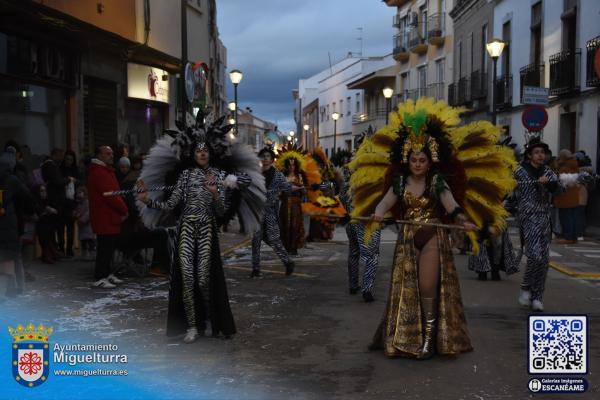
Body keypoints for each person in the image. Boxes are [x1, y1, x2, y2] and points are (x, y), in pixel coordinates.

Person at [349, 98, 516, 359]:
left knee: (428, 287)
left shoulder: (437, 182)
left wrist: (462, 219)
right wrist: (378, 215)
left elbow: (451, 204)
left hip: (432, 237)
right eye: (414, 159)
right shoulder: (400, 183)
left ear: (430, 163)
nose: (417, 164)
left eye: (422, 160)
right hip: (407, 238)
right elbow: (384, 202)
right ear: (407, 160)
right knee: (407, 288)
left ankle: (428, 341)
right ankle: (406, 337)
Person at [138, 142, 242, 343]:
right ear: (193, 155)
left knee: (203, 279)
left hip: (206, 228)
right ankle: (192, 326)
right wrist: (146, 200)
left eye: (205, 151)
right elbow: (170, 205)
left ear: (210, 154)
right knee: (187, 278)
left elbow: (221, 211)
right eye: (198, 151)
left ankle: (211, 320)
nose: (202, 154)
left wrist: (214, 193)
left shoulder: (219, 176)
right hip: (186, 227)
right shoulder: (185, 176)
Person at [515, 138, 562, 312]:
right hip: (528, 218)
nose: (541, 155)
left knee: (544, 260)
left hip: (544, 219)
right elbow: (508, 190)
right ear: (529, 155)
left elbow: (560, 191)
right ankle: (526, 288)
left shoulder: (548, 172)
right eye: (537, 152)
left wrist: (550, 185)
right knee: (534, 256)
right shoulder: (519, 171)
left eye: (543, 152)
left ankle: (537, 296)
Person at [88, 146, 129, 289]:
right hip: (104, 215)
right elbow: (111, 195)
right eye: (107, 154)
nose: (111, 156)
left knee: (109, 247)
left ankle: (106, 273)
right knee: (104, 247)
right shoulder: (99, 172)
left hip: (110, 215)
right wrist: (124, 209)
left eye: (112, 154)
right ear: (99, 155)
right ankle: (100, 276)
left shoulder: (106, 170)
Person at [340, 163, 382, 302]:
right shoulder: (372, 184)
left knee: (354, 252)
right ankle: (366, 289)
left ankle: (353, 285)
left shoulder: (347, 184)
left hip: (351, 223)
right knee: (372, 256)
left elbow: (340, 200)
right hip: (365, 224)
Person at [251, 147, 295, 277]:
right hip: (257, 212)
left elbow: (287, 187)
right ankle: (255, 268)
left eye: (268, 156)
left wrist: (298, 187)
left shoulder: (278, 175)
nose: (265, 158)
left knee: (274, 239)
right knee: (256, 240)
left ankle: (288, 262)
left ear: (272, 160)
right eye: (263, 156)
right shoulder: (255, 174)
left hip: (270, 211)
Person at [0, 151, 33, 298]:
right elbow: (27, 197)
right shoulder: (12, 180)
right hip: (8, 224)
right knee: (10, 258)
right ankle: (8, 291)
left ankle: (11, 289)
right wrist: (31, 212)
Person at [278, 157, 305, 255]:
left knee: (294, 225)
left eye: (293, 165)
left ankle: (293, 247)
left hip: (295, 205)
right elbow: (279, 192)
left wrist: (299, 187)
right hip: (285, 204)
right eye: (289, 165)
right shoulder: (283, 176)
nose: (291, 167)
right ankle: (285, 247)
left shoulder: (299, 176)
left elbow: (303, 192)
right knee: (285, 224)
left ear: (296, 165)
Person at [552, 149, 579, 244]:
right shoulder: (574, 165)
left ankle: (568, 237)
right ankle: (573, 237)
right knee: (572, 217)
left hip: (565, 197)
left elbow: (557, 179)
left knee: (565, 218)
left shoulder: (564, 167)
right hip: (573, 197)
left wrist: (556, 166)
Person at [59, 149, 80, 257]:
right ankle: (62, 248)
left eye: (71, 160)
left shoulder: (75, 170)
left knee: (70, 226)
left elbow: (80, 184)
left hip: (71, 202)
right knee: (61, 227)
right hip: (62, 201)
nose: (69, 161)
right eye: (67, 159)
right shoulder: (60, 169)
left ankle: (69, 249)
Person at [73, 186, 95, 261]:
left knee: (90, 240)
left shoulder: (88, 202)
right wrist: (75, 214)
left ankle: (92, 255)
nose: (78, 194)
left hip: (88, 225)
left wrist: (82, 220)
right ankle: (84, 254)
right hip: (82, 225)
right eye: (77, 193)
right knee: (83, 241)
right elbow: (77, 211)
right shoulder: (79, 203)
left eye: (80, 192)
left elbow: (89, 213)